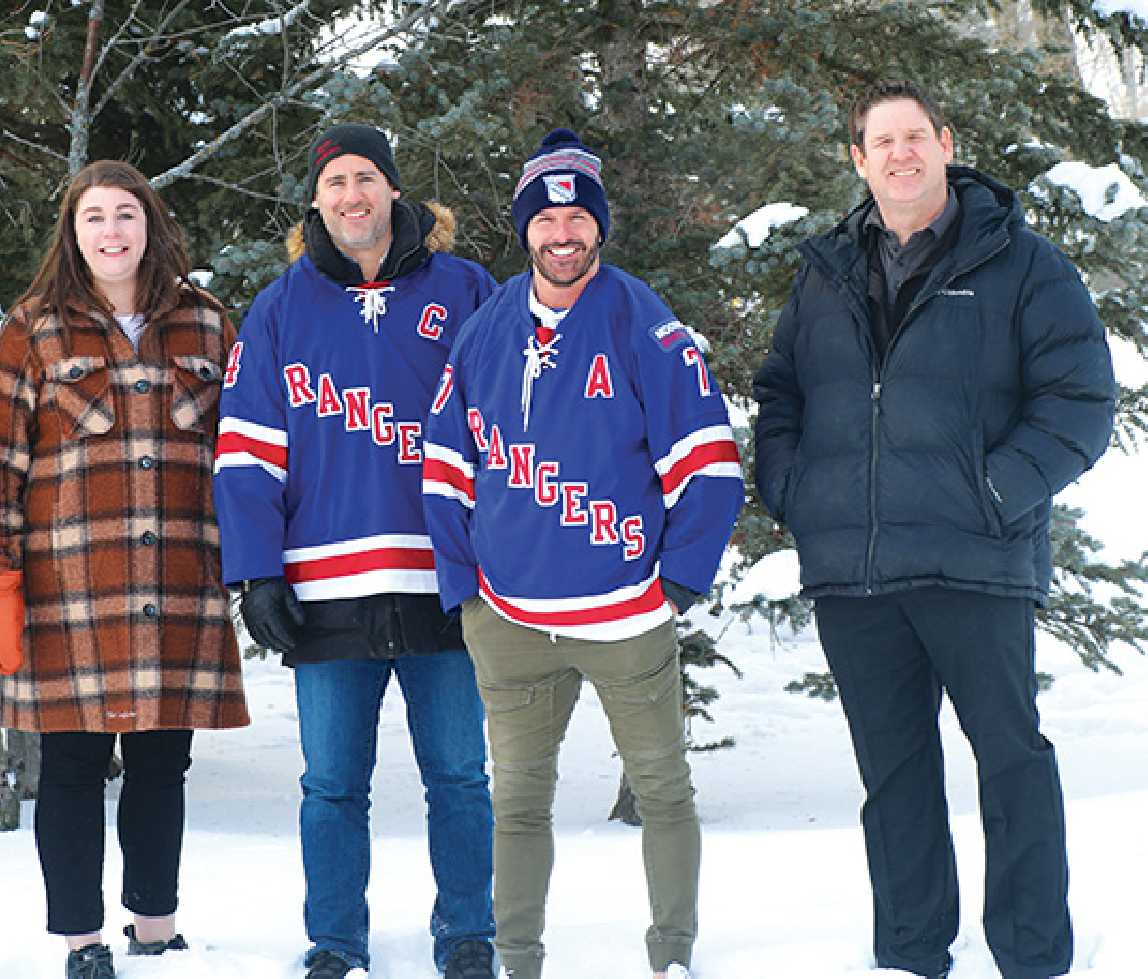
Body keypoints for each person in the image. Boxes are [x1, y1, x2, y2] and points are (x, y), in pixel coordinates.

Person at [753, 80, 1116, 979]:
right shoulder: (827, 270)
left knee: (1011, 759)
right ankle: (912, 955)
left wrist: (994, 494)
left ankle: (1033, 956)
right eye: (883, 141)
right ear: (858, 158)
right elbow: (780, 395)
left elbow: (1081, 401)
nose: (901, 154)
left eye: (917, 136)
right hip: (858, 571)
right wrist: (799, 492)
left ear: (946, 144)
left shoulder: (1022, 264)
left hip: (974, 561)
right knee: (895, 776)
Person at [422, 128, 744, 979]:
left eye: (577, 218)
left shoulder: (644, 319)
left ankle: (671, 956)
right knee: (519, 804)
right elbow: (445, 465)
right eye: (546, 218)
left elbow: (709, 460)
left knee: (664, 788)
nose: (562, 234)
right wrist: (466, 587)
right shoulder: (487, 327)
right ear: (524, 228)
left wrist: (674, 578)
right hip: (512, 618)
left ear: (597, 227)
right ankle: (517, 960)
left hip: (625, 613)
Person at [213, 124, 498, 979]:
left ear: (396, 191)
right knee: (331, 785)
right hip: (326, 588)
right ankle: (337, 940)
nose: (352, 196)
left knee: (460, 777)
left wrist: (505, 557)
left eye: (366, 178)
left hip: (444, 580)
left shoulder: (468, 288)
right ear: (315, 201)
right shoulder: (279, 308)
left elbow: (508, 430)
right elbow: (247, 451)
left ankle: (469, 932)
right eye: (335, 181)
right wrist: (257, 572)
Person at [0, 160, 250, 979]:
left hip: (180, 588)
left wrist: (255, 564)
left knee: (163, 761)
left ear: (150, 225)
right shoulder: (34, 329)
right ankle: (81, 940)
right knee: (75, 768)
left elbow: (250, 455)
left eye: (126, 214)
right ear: (72, 232)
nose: (112, 231)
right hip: (69, 594)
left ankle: (155, 927)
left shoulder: (209, 323)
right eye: (95, 218)